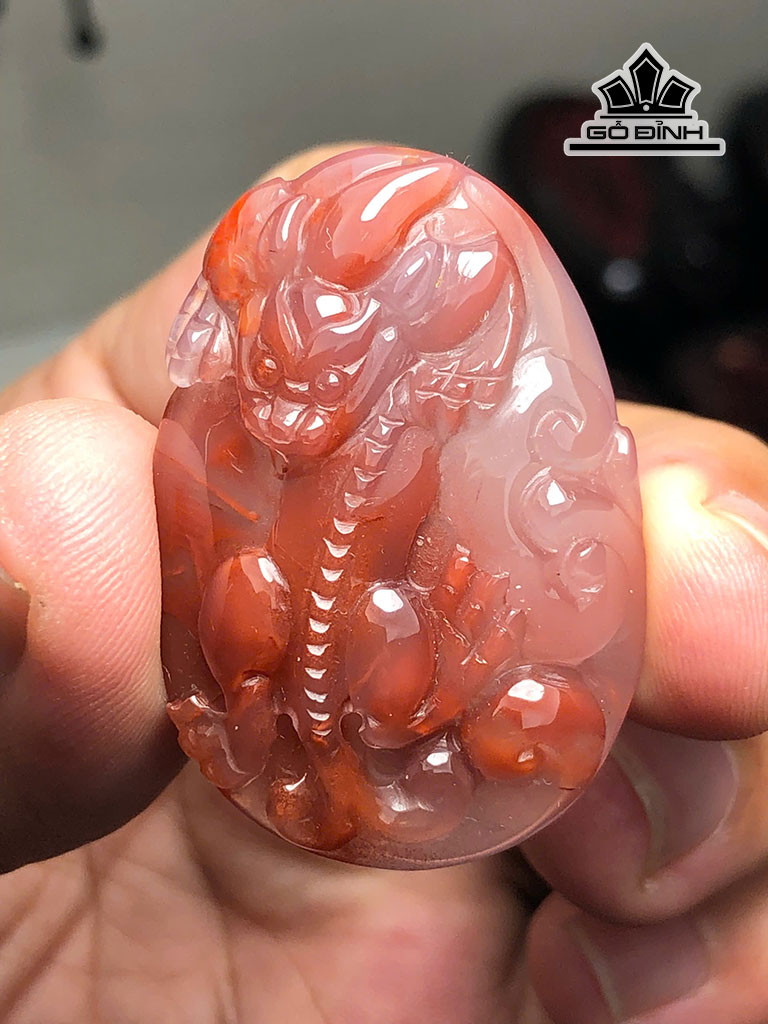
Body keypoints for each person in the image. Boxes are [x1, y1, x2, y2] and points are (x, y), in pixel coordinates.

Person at [0, 143, 766, 1024]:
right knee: (257, 592)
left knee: (400, 623)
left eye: (320, 369)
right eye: (269, 364)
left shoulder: (424, 409)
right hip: (255, 720)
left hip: (380, 698)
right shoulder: (213, 436)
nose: (283, 399)